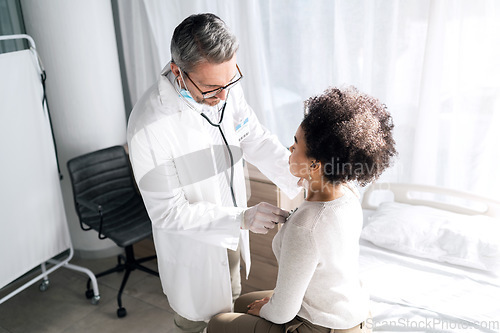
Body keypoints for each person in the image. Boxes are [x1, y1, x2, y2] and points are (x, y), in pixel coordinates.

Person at [126, 13, 301, 333]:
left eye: (230, 81)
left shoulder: (225, 88)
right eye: (210, 88)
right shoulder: (148, 128)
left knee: (228, 313)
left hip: (232, 237)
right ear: (178, 72)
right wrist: (242, 218)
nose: (223, 96)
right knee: (196, 323)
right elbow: (168, 213)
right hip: (193, 252)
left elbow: (254, 138)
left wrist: (301, 180)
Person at [207, 86, 397, 333]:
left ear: (316, 165)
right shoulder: (348, 192)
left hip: (324, 327)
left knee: (217, 324)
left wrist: (269, 307)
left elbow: (282, 312)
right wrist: (308, 178)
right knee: (244, 303)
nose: (289, 149)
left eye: (296, 145)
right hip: (353, 311)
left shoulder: (305, 226)